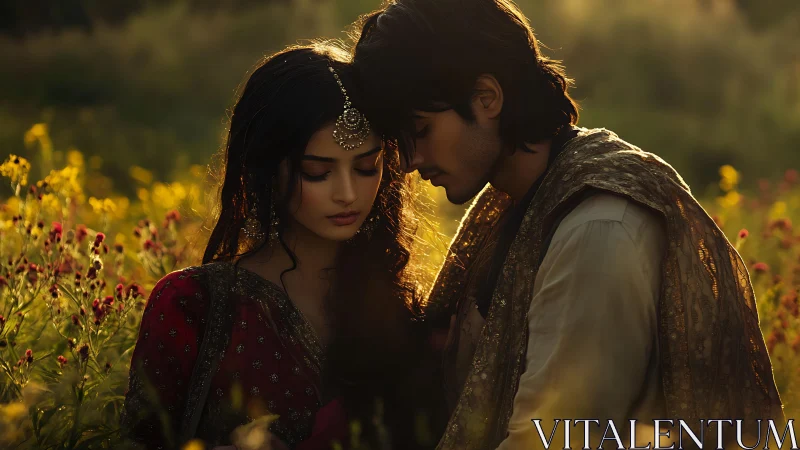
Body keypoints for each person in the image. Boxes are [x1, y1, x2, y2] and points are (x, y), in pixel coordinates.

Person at [350, 0, 785, 448]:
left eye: (421, 131)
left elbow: (550, 439)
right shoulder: (523, 202)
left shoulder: (599, 232)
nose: (410, 162)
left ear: (486, 99)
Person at [119, 42, 441, 450]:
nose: (348, 194)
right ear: (267, 169)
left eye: (366, 167)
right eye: (316, 172)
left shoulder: (400, 305)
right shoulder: (194, 305)